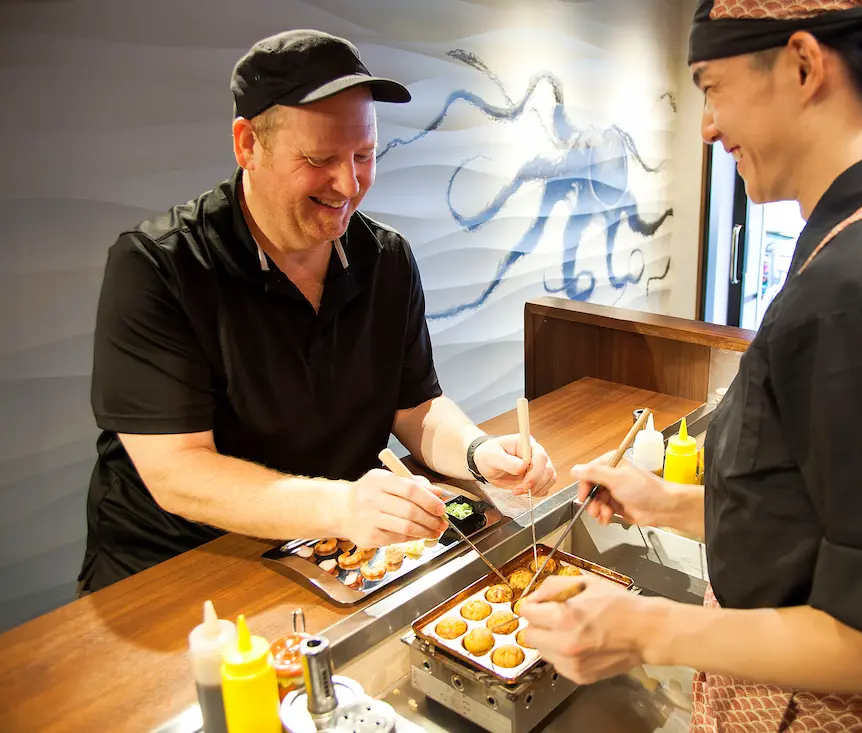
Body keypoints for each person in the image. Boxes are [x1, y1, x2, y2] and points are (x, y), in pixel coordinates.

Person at [520, 2, 862, 731]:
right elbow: (822, 521)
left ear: (801, 63)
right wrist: (663, 503)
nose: (707, 126)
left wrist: (643, 628)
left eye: (711, 87)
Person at [79, 30, 557, 594]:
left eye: (363, 155)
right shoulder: (161, 267)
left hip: (327, 557)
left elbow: (417, 406)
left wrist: (478, 453)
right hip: (178, 573)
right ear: (248, 145)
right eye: (320, 159)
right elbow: (178, 472)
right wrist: (341, 504)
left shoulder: (386, 259)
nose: (349, 185)